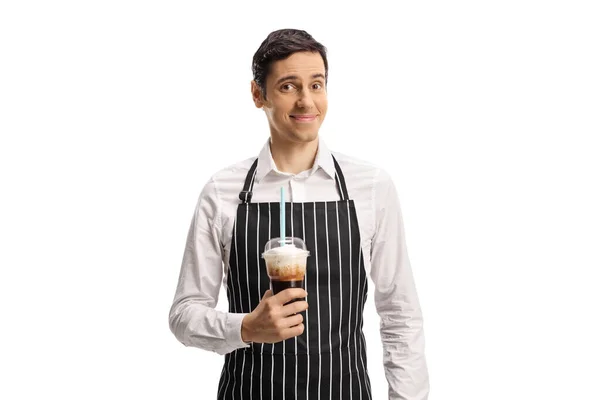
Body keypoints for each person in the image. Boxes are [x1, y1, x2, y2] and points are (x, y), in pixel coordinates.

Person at [169, 28, 429, 400]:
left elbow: (400, 313)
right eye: (289, 86)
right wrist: (245, 327)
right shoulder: (222, 192)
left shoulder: (370, 187)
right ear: (258, 95)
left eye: (317, 85)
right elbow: (184, 313)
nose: (307, 101)